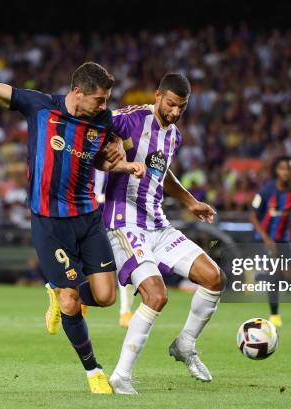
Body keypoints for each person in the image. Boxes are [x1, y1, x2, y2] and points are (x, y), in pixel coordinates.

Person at [0, 19, 145, 394]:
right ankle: (93, 372)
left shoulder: (102, 121)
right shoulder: (40, 106)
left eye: (106, 100)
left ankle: (59, 294)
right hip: (49, 222)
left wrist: (120, 162)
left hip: (87, 217)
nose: (105, 107)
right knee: (72, 297)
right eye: (99, 99)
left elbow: (100, 159)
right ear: (77, 92)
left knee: (103, 296)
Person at [98, 73, 225, 394]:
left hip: (158, 224)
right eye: (170, 104)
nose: (174, 111)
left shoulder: (174, 136)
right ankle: (121, 376)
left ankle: (185, 344)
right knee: (157, 295)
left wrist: (191, 201)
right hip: (123, 222)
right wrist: (109, 145)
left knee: (214, 278)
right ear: (157, 96)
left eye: (181, 107)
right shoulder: (129, 119)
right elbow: (97, 126)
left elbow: (161, 171)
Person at [249, 156, 291, 327]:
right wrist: (266, 238)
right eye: (282, 168)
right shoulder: (266, 191)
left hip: (283, 239)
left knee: (289, 274)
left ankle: (262, 278)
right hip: (264, 238)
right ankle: (274, 314)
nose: (286, 172)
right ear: (277, 171)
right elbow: (252, 215)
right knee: (274, 273)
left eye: (289, 169)